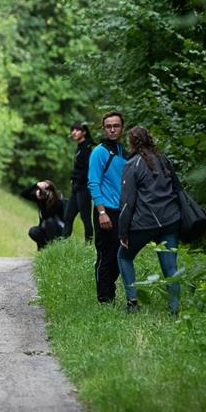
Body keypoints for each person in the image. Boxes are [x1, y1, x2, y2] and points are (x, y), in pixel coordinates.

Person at [116, 126, 181, 315]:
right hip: (170, 221)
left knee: (123, 256)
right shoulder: (164, 160)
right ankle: (174, 309)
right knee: (171, 268)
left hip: (144, 223)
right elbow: (178, 190)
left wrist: (123, 232)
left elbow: (127, 203)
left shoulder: (132, 164)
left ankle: (132, 302)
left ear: (131, 143)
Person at [87, 110, 127, 304]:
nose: (112, 129)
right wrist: (101, 211)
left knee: (121, 254)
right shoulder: (99, 152)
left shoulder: (123, 152)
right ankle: (104, 299)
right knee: (106, 255)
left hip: (122, 211)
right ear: (103, 129)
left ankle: (108, 291)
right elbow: (93, 183)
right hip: (105, 210)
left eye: (116, 126)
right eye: (109, 126)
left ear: (122, 128)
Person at [62, 121, 96, 242]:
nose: (74, 132)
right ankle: (63, 244)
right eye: (73, 130)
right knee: (68, 216)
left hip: (84, 188)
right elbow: (78, 168)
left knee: (85, 217)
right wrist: (73, 179)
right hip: (76, 187)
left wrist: (77, 181)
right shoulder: (79, 147)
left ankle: (88, 245)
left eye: (77, 130)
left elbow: (87, 169)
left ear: (84, 132)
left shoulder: (87, 147)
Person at [19, 179, 65, 250]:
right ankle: (44, 248)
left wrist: (41, 202)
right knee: (33, 231)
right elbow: (23, 194)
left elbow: (45, 215)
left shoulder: (57, 200)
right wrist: (36, 185)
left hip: (58, 231)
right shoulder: (41, 198)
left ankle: (54, 248)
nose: (44, 194)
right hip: (45, 229)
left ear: (51, 191)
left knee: (49, 221)